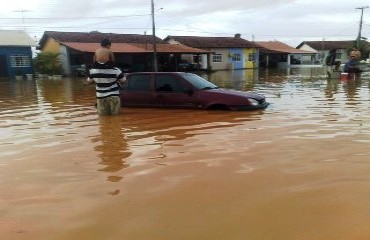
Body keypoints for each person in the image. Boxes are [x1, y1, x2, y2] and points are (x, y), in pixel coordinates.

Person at [87, 39, 126, 115]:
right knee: (116, 119)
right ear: (108, 45)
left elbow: (89, 81)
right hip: (114, 96)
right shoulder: (115, 70)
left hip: (100, 97)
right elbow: (124, 80)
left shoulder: (92, 71)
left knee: (103, 118)